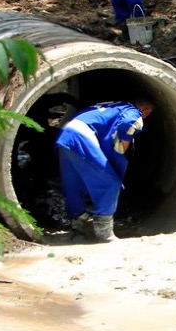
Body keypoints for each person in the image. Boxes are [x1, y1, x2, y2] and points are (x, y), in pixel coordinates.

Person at [55, 98, 154, 242]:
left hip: (66, 134)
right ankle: (104, 234)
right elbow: (128, 123)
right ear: (145, 110)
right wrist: (123, 147)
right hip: (82, 136)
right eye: (148, 113)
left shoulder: (114, 106)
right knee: (110, 182)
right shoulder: (133, 112)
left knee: (74, 183)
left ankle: (77, 229)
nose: (145, 115)